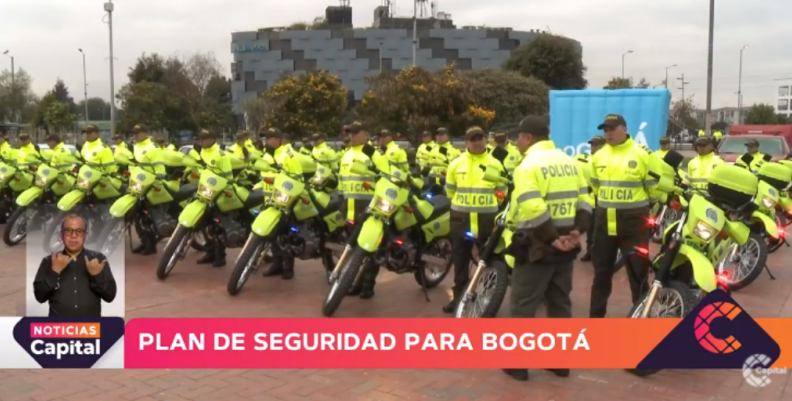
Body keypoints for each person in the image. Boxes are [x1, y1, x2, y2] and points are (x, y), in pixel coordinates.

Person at [502, 115, 592, 382]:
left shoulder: (528, 165)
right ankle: (559, 362)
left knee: (523, 304)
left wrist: (552, 239)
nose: (517, 142)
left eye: (518, 137)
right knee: (560, 303)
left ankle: (517, 364)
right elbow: (586, 200)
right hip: (568, 245)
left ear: (528, 137)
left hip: (538, 245)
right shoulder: (570, 163)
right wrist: (578, 231)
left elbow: (532, 206)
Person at [589, 114, 660, 318]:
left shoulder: (642, 154)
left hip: (634, 224)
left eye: (613, 128)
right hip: (604, 224)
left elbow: (654, 191)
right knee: (601, 275)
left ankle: (641, 318)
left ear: (625, 129)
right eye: (606, 129)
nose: (608, 133)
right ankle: (595, 319)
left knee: (638, 275)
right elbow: (595, 186)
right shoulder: (599, 156)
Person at [442, 127, 507, 313]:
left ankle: (487, 298)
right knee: (460, 261)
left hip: (486, 220)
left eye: (480, 138)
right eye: (473, 139)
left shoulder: (495, 164)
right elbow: (451, 191)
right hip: (460, 220)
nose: (477, 142)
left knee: (490, 259)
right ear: (466, 142)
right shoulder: (456, 164)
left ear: (486, 140)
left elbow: (501, 191)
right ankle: (459, 299)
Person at [33, 214, 117, 317]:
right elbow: (40, 297)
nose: (73, 235)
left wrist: (97, 276)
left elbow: (110, 296)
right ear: (61, 235)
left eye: (79, 231)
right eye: (68, 230)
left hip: (90, 329)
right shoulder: (48, 261)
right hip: (59, 329)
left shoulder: (98, 259)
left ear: (85, 235)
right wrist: (54, 272)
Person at [338, 122, 380, 298]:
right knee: (352, 248)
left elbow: (384, 177)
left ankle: (368, 285)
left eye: (356, 133)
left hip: (368, 207)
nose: (352, 136)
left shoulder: (374, 154)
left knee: (369, 248)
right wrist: (341, 202)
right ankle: (353, 282)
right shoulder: (346, 155)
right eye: (350, 133)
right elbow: (341, 180)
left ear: (366, 134)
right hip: (349, 207)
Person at [258, 128, 304, 280]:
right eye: (266, 138)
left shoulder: (288, 155)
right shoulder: (266, 155)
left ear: (278, 139)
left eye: (270, 138)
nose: (267, 141)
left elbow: (297, 177)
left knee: (285, 235)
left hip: (284, 202)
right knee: (272, 236)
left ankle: (288, 266)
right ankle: (277, 264)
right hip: (269, 202)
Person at [195, 129, 235, 267]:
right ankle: (210, 252)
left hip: (218, 194)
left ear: (212, 139)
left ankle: (220, 256)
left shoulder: (220, 154)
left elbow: (228, 176)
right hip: (205, 192)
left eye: (203, 139)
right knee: (204, 225)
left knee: (216, 225)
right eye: (199, 139)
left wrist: (225, 189)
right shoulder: (202, 152)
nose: (201, 142)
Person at [130, 125, 167, 255]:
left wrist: (157, 181)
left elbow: (159, 167)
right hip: (138, 184)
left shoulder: (153, 148)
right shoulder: (135, 147)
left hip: (150, 186)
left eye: (138, 133)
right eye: (134, 133)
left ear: (145, 133)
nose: (135, 135)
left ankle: (151, 245)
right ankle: (144, 241)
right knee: (137, 216)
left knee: (148, 216)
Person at [579, 135, 605, 262]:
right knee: (590, 228)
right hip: (591, 200)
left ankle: (598, 253)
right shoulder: (590, 159)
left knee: (599, 230)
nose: (592, 147)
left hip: (602, 200)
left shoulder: (604, 160)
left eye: (595, 145)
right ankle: (590, 252)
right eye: (592, 144)